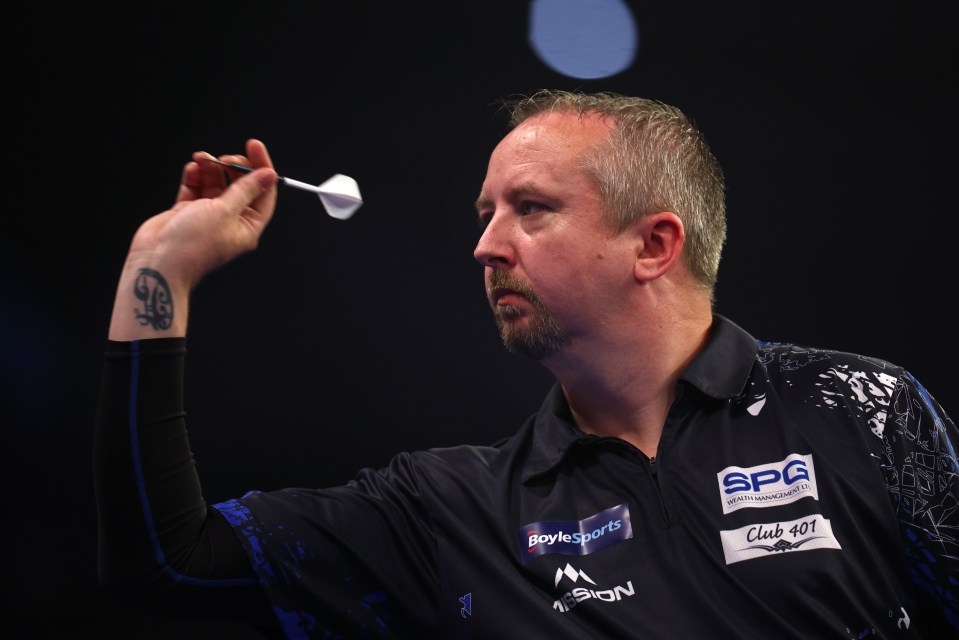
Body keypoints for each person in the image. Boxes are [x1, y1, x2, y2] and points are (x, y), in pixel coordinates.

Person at [95, 90, 958, 639]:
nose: (483, 245)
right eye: (484, 212)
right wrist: (157, 272)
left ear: (653, 244)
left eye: (529, 210)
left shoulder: (859, 406)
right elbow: (169, 560)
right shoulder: (447, 513)